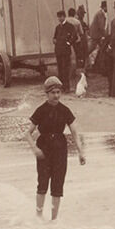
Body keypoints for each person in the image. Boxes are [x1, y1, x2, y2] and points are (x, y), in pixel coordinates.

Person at [29, 76, 86, 220]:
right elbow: (27, 133)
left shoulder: (65, 110)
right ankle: (38, 216)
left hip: (60, 149)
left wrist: (81, 152)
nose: (56, 95)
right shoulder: (41, 110)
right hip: (43, 149)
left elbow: (74, 132)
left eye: (58, 92)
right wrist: (34, 149)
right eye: (53, 92)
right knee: (42, 183)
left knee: (57, 185)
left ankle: (54, 220)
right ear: (47, 94)